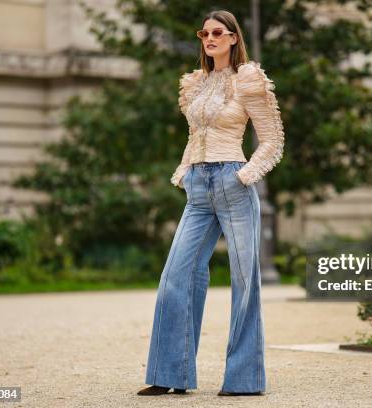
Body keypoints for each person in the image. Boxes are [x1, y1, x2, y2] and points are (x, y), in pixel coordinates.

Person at [137, 9, 285, 397]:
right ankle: (170, 375)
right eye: (204, 33)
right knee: (175, 277)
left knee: (244, 281)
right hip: (199, 189)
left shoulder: (248, 79)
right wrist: (185, 172)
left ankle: (244, 380)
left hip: (233, 183)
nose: (209, 38)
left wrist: (244, 176)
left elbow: (270, 140)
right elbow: (194, 134)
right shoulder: (197, 83)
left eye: (218, 32)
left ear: (234, 37)